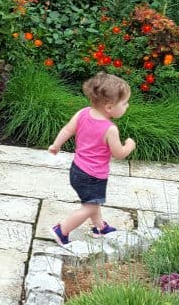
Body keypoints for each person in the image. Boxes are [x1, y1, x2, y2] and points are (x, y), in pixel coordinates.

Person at [47, 72, 136, 245]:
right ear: (109, 107)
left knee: (93, 201)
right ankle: (62, 229)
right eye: (124, 103)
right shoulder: (110, 129)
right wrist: (130, 145)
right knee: (91, 206)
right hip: (93, 177)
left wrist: (55, 146)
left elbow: (67, 130)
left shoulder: (83, 113)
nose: (128, 106)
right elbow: (118, 153)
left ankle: (100, 227)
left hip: (77, 170)